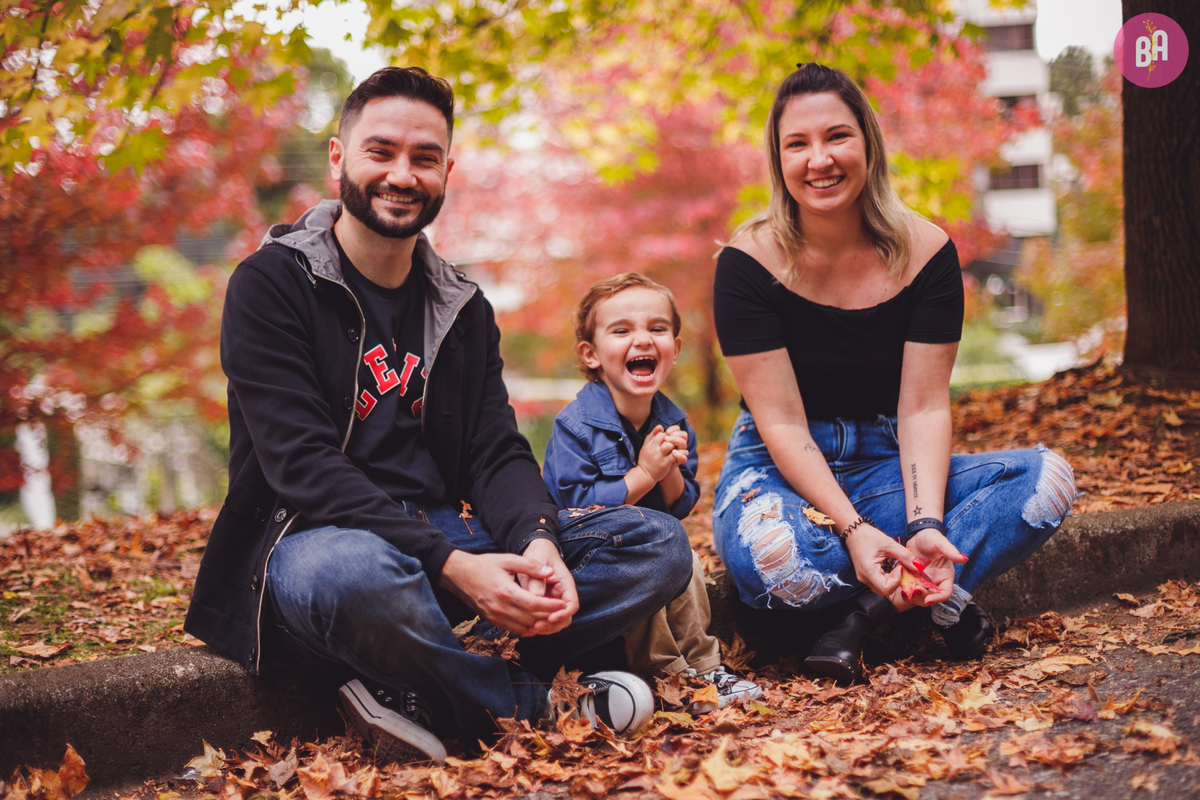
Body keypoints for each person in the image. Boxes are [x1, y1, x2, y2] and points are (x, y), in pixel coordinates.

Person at [184, 67, 694, 764]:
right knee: (356, 575)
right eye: (380, 152)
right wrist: (454, 565)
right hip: (318, 544)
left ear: (446, 171)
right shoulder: (272, 285)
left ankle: (417, 680)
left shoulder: (461, 308)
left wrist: (538, 540)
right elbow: (301, 467)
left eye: (424, 158)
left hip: (446, 540)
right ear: (338, 159)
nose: (402, 174)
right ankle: (526, 703)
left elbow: (495, 453)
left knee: (654, 545)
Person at [710, 64, 1076, 685]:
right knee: (776, 564)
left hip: (888, 462)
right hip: (778, 469)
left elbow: (924, 408)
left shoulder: (927, 252)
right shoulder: (747, 265)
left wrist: (927, 523)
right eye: (797, 144)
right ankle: (925, 605)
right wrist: (853, 530)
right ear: (779, 160)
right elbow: (780, 419)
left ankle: (856, 619)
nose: (819, 160)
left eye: (837, 137)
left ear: (868, 143)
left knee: (1045, 482)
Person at [542, 273, 762, 712]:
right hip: (591, 554)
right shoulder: (577, 425)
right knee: (647, 570)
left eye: (657, 328)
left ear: (675, 349)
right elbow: (577, 505)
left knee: (690, 565)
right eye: (622, 330)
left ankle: (704, 665)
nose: (642, 339)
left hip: (653, 542)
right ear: (591, 354)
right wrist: (644, 472)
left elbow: (679, 504)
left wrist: (667, 471)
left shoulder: (672, 420)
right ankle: (668, 674)